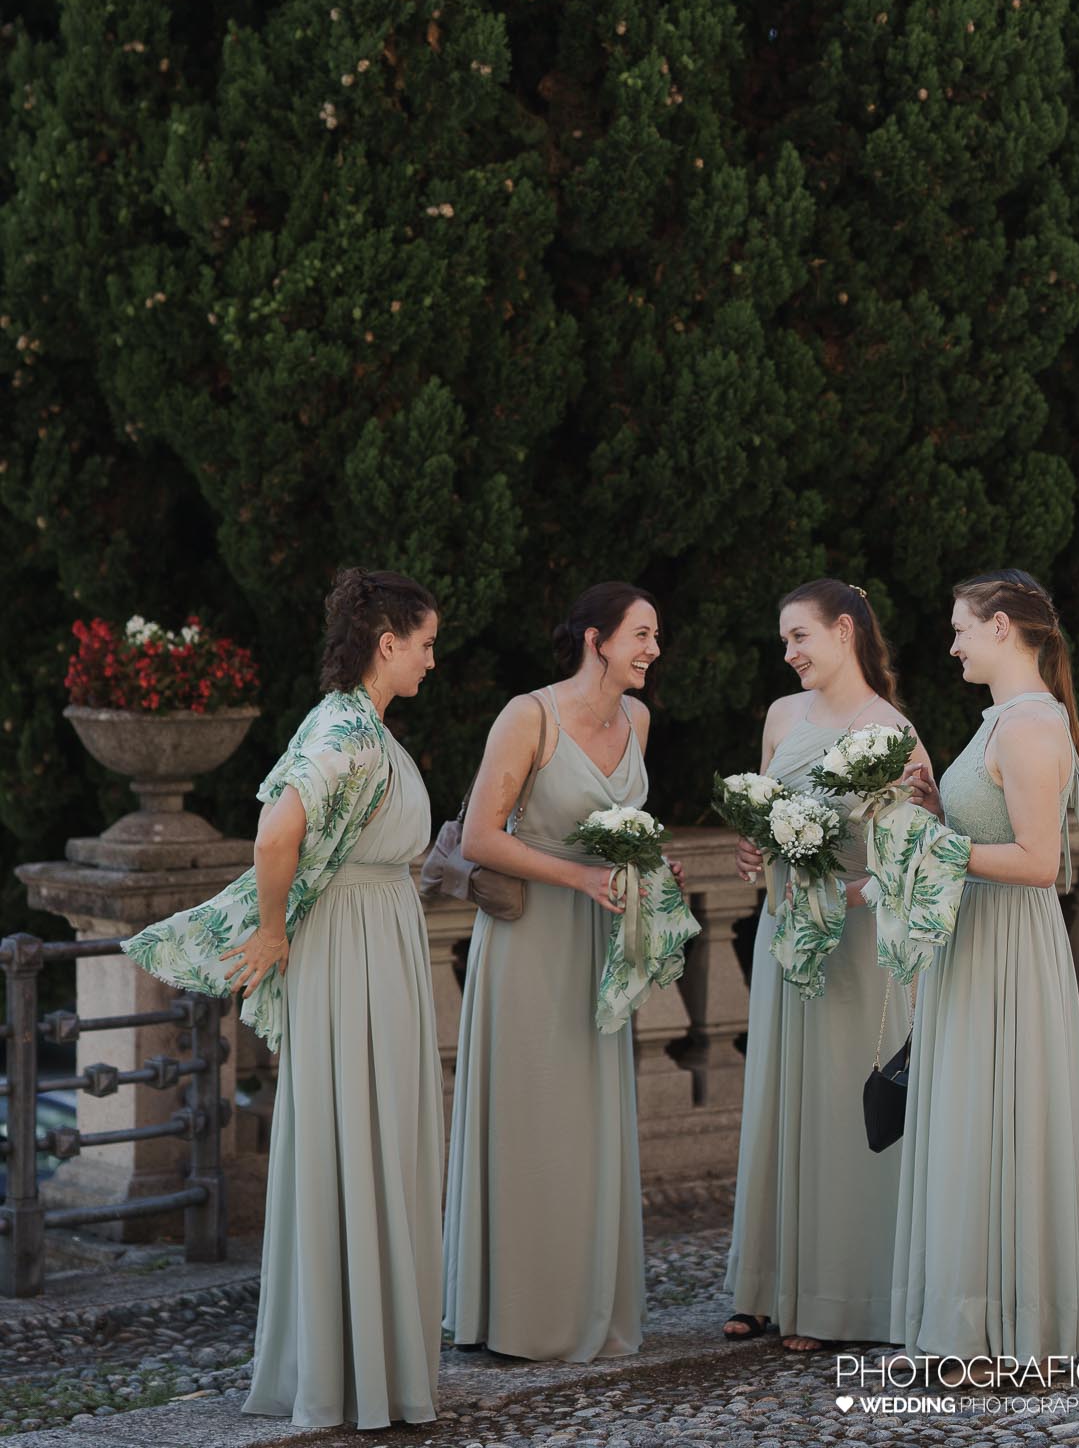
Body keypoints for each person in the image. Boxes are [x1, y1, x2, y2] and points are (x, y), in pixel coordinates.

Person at [125, 566, 446, 1431]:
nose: (429, 662)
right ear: (387, 645)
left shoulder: (366, 728)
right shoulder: (342, 727)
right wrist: (271, 931)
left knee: (378, 1134)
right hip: (350, 946)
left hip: (379, 936)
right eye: (423, 646)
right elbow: (278, 830)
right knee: (356, 1132)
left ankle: (369, 1362)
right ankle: (347, 1370)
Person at [442, 581, 682, 1362]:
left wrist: (648, 863)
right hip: (532, 943)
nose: (652, 648)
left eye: (653, 636)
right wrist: (579, 878)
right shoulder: (529, 716)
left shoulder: (638, 719)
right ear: (594, 639)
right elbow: (480, 836)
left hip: (603, 944)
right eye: (641, 634)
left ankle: (586, 1306)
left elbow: (624, 830)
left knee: (588, 1125)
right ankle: (516, 1317)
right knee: (533, 1121)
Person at [892, 568, 1079, 1373]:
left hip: (1006, 947)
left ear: (1003, 626)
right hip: (972, 940)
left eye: (960, 628)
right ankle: (969, 1319)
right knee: (968, 1127)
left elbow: (1037, 863)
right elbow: (988, 835)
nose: (951, 643)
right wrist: (930, 815)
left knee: (998, 1122)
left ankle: (1003, 1324)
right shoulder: (1001, 722)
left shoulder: (1025, 727)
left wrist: (930, 847)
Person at [724, 579, 926, 1351]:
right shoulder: (782, 716)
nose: (789, 653)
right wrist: (754, 850)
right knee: (781, 1102)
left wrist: (849, 891)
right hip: (786, 940)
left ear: (844, 631)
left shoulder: (892, 731)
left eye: (799, 636)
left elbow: (917, 855)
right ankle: (772, 1289)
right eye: (783, 641)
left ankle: (843, 1297)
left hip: (857, 949)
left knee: (843, 1113)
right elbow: (768, 827)